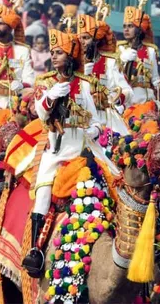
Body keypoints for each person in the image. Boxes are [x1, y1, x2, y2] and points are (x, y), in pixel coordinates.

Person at [22, 29, 101, 277]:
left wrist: (95, 131)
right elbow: (41, 114)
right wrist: (50, 97)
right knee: (43, 193)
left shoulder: (86, 84)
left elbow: (96, 120)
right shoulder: (45, 82)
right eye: (52, 53)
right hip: (56, 150)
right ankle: (36, 250)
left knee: (110, 180)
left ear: (70, 55)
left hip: (82, 147)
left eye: (59, 53)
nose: (54, 57)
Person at [77, 11, 132, 135]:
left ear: (96, 40)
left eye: (86, 38)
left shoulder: (110, 62)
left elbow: (128, 92)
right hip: (79, 121)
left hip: (105, 118)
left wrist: (112, 99)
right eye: (80, 38)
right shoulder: (73, 65)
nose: (82, 42)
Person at [117, 0, 160, 106]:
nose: (126, 30)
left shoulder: (150, 51)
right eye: (124, 26)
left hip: (147, 100)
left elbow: (155, 79)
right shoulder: (119, 49)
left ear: (139, 30)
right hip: (129, 101)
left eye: (130, 26)